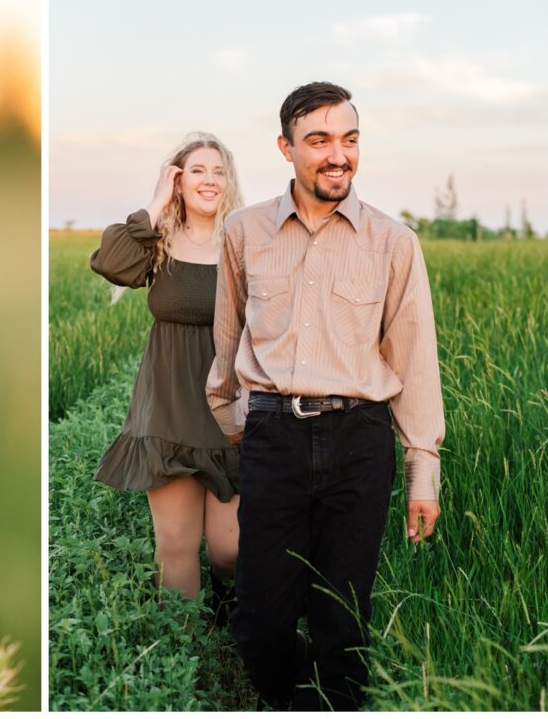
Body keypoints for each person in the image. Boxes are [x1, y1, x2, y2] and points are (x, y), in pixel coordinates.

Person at [205, 82, 444, 710]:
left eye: (350, 139)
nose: (338, 155)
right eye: (319, 141)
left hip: (359, 442)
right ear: (286, 148)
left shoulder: (394, 243)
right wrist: (242, 425)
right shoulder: (244, 230)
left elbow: (414, 360)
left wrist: (424, 472)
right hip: (273, 437)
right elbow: (226, 339)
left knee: (342, 620)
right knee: (261, 622)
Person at [90, 132, 244, 614]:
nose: (209, 180)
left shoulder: (245, 239)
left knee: (230, 550)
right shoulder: (159, 242)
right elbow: (111, 263)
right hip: (168, 411)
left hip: (230, 411)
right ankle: (189, 659)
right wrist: (157, 202)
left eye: (218, 171)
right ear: (177, 180)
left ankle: (231, 618)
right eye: (196, 170)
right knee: (176, 549)